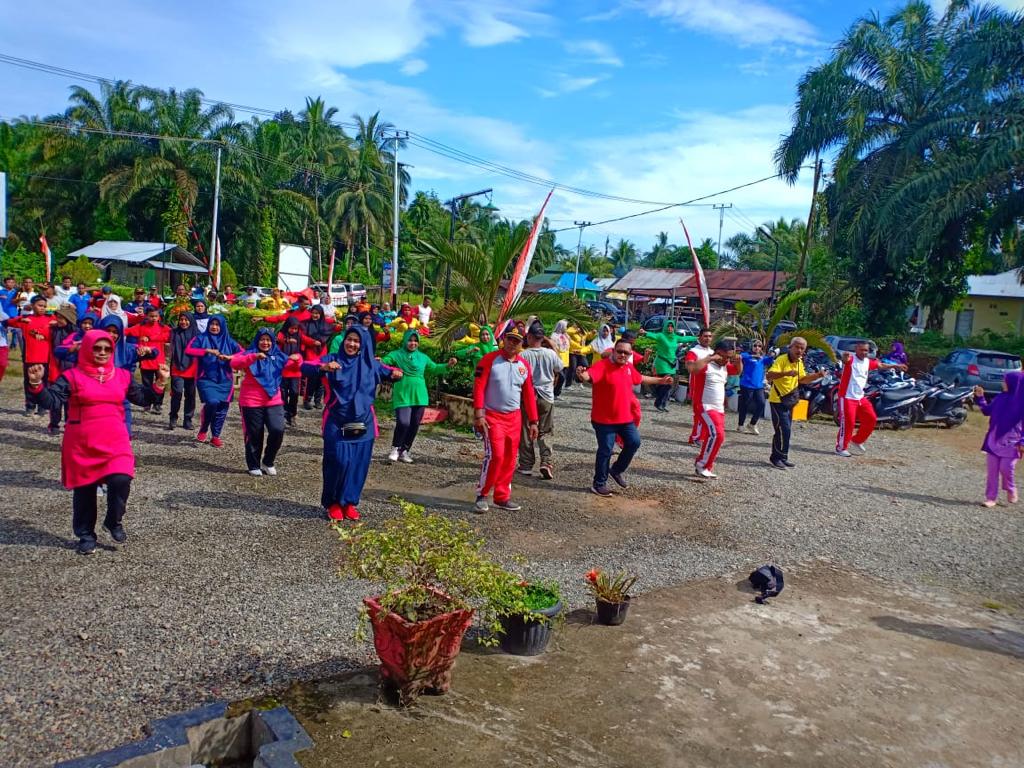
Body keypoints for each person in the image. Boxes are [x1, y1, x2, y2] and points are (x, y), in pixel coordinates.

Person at [25, 330, 169, 554]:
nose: (102, 352)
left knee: (122, 478)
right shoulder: (72, 376)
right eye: (97, 348)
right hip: (82, 442)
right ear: (86, 349)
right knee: (85, 491)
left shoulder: (122, 376)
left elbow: (143, 399)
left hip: (115, 440)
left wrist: (160, 382)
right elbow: (53, 401)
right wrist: (36, 384)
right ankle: (85, 535)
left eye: (107, 349)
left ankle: (113, 521)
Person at [301, 326, 403, 521]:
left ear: (363, 344)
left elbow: (391, 372)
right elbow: (305, 366)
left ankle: (349, 502)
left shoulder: (371, 364)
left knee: (358, 465)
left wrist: (397, 374)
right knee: (337, 462)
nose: (352, 344)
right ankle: (333, 502)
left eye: (356, 341)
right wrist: (323, 367)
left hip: (363, 423)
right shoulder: (332, 359)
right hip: (336, 420)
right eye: (349, 339)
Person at [576, 336, 673, 496]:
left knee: (634, 442)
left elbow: (640, 378)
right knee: (606, 450)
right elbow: (589, 376)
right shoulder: (603, 365)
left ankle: (616, 470)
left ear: (630, 354)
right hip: (604, 419)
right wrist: (581, 374)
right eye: (620, 351)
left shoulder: (628, 367)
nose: (622, 355)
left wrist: (660, 380)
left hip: (624, 418)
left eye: (626, 353)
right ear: (613, 351)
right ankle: (599, 484)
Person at [472, 328, 539, 513]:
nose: (512, 343)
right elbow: (479, 387)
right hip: (492, 417)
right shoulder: (489, 360)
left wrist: (533, 421)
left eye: (516, 341)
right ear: (504, 340)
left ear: (522, 344)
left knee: (510, 459)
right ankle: (482, 494)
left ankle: (502, 497)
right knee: (496, 456)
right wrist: (479, 415)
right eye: (509, 339)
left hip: (514, 418)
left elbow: (529, 394)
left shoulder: (524, 365)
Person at [231, 328, 303, 476]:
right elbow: (235, 362)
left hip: (273, 400)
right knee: (254, 434)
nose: (265, 343)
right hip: (251, 401)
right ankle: (253, 464)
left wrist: (298, 359)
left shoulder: (278, 355)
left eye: (268, 340)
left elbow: (295, 364)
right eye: (262, 339)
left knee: (278, 430)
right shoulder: (249, 353)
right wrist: (253, 357)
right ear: (257, 341)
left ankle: (268, 461)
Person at [381, 329, 456, 463]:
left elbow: (435, 368)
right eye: (410, 340)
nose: (413, 343)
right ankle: (395, 448)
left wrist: (448, 365)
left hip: (420, 395)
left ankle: (405, 450)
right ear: (405, 341)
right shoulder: (397, 354)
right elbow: (385, 361)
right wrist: (381, 361)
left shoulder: (423, 357)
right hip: (402, 393)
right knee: (403, 422)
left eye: (415, 341)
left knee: (414, 424)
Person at [835, 341, 908, 457]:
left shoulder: (867, 362)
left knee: (871, 419)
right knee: (848, 422)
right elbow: (845, 361)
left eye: (866, 350)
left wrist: (896, 366)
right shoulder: (851, 359)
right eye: (861, 350)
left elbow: (881, 365)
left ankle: (857, 440)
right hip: (847, 397)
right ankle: (840, 448)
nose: (864, 352)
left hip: (860, 397)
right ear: (856, 349)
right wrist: (844, 358)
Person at [765, 337, 828, 469]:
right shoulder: (782, 359)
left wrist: (817, 375)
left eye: (802, 348)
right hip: (777, 400)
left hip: (789, 401)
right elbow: (769, 376)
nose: (799, 350)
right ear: (791, 347)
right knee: (783, 429)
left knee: (786, 429)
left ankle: (783, 457)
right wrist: (785, 373)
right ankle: (776, 458)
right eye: (797, 347)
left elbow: (803, 379)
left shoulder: (799, 362)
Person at [689, 340, 742, 478]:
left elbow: (737, 371)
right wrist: (710, 358)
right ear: (718, 353)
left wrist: (738, 362)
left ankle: (705, 465)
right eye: (725, 357)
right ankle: (702, 465)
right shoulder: (706, 365)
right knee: (718, 434)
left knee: (716, 436)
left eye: (729, 358)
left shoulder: (725, 366)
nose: (727, 360)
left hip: (718, 408)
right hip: (704, 406)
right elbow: (692, 369)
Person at [186, 314, 241, 447]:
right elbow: (189, 350)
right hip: (206, 378)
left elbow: (243, 353)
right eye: (212, 324)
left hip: (225, 379)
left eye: (217, 325)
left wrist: (230, 357)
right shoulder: (200, 338)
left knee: (222, 408)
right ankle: (204, 428)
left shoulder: (229, 341)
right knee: (212, 402)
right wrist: (207, 350)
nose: (214, 327)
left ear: (222, 326)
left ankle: (215, 436)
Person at [518, 321, 563, 479]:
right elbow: (559, 368)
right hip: (546, 396)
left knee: (525, 430)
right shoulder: (550, 354)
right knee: (545, 430)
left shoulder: (523, 355)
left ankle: (526, 464)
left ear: (529, 337)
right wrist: (553, 347)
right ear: (542, 338)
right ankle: (546, 462)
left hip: (528, 396)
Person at [973, 374, 1024, 507]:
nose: (1002, 383)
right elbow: (987, 411)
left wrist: (1022, 441)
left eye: (1005, 381)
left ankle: (1010, 488)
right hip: (993, 440)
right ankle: (991, 498)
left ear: (1014, 384)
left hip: (1013, 443)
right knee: (992, 472)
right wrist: (980, 397)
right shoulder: (1000, 397)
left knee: (1006, 468)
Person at [9, 295, 52, 416]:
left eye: (44, 306)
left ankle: (43, 406)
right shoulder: (26, 319)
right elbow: (7, 322)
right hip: (30, 357)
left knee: (44, 381)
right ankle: (30, 405)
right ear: (32, 306)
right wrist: (21, 318)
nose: (42, 308)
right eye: (39, 305)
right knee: (29, 382)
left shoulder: (50, 319)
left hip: (46, 357)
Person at [126, 305, 171, 414]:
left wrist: (151, 338)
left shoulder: (163, 327)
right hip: (146, 361)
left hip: (159, 361)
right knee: (147, 384)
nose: (154, 318)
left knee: (160, 382)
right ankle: (147, 404)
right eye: (151, 316)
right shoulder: (141, 327)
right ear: (146, 316)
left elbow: (169, 336)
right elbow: (127, 331)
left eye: (156, 316)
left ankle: (157, 404)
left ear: (159, 316)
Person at [639, 321, 687, 411]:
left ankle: (661, 404)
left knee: (666, 385)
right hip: (662, 363)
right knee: (667, 384)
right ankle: (659, 403)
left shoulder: (675, 337)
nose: (670, 328)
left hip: (671, 364)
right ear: (665, 327)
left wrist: (697, 338)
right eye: (668, 326)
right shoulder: (661, 336)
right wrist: (645, 333)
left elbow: (686, 338)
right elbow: (653, 335)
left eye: (671, 326)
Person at [167, 311, 198, 430]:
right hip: (177, 368)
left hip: (192, 369)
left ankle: (188, 420)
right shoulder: (174, 332)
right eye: (181, 320)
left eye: (186, 320)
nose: (183, 322)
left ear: (191, 320)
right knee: (177, 393)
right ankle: (173, 417)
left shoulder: (197, 334)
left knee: (190, 396)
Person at [684, 327, 715, 446]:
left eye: (710, 336)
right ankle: (695, 437)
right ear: (700, 338)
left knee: (708, 413)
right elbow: (690, 367)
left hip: (710, 387)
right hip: (698, 386)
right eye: (705, 336)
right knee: (699, 413)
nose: (708, 338)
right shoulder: (694, 351)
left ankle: (702, 437)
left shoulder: (712, 352)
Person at [737, 340, 774, 434]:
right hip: (747, 384)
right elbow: (741, 356)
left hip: (759, 385)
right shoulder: (746, 355)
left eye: (759, 346)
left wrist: (772, 354)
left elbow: (770, 360)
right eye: (755, 345)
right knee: (745, 404)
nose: (757, 347)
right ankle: (740, 425)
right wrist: (753, 356)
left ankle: (752, 424)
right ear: (751, 346)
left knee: (761, 403)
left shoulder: (762, 358)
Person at [549, 320, 571, 397]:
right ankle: (553, 392)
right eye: (565, 327)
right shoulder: (554, 336)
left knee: (562, 378)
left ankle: (557, 393)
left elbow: (569, 345)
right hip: (558, 359)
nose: (566, 328)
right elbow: (553, 347)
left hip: (566, 359)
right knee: (560, 377)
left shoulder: (565, 335)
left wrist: (567, 336)